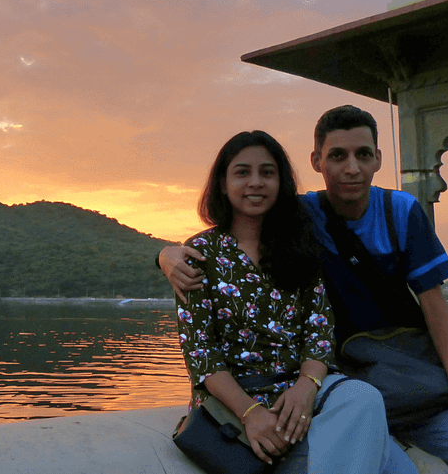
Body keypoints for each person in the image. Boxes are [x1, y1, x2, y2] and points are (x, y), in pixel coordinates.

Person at [162, 107, 448, 474]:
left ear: (378, 158)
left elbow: (433, 310)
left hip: (399, 387)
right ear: (316, 161)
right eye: (338, 156)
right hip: (316, 385)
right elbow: (200, 346)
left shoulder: (377, 218)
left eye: (363, 154)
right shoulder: (283, 226)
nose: (352, 168)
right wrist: (164, 255)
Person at [172, 130, 415, 473]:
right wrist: (250, 413)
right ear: (223, 185)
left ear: (280, 183)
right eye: (242, 172)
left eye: (267, 173)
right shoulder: (199, 254)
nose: (255, 182)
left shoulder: (298, 246)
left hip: (299, 391)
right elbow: (202, 356)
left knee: (364, 398)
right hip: (234, 399)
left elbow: (318, 333)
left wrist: (306, 387)